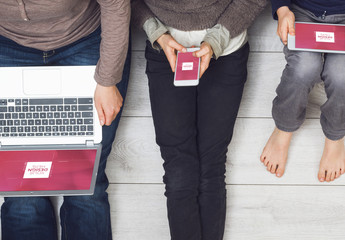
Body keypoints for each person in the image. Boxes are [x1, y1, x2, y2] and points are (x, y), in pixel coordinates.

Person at [131, 1, 267, 239]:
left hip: (227, 51)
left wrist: (218, 38)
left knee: (211, 165)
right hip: (165, 51)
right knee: (179, 170)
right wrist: (155, 31)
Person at [0, 0, 130, 239]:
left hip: (85, 40)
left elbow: (115, 4)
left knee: (85, 182)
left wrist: (107, 80)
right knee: (22, 187)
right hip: (8, 45)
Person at [260, 0, 345, 182]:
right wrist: (282, 10)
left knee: (341, 76)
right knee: (303, 69)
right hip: (302, 9)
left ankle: (335, 136)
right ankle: (284, 125)